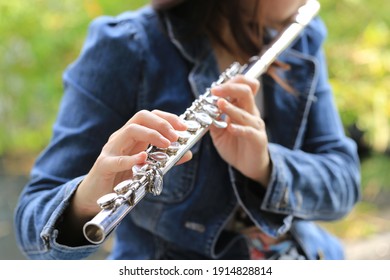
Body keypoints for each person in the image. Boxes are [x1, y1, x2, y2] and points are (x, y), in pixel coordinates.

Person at [14, 0, 361, 260]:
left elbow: (344, 185)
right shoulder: (126, 47)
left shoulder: (300, 38)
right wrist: (87, 201)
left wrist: (265, 167)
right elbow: (31, 228)